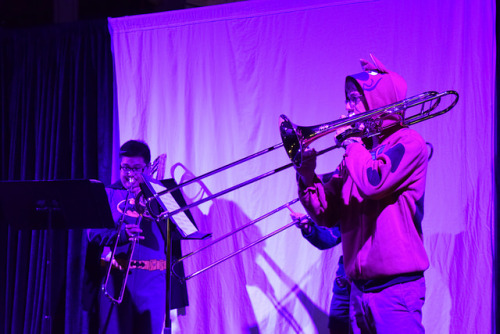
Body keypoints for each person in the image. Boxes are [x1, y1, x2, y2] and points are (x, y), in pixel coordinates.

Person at [294, 55, 429, 333]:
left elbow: (374, 183)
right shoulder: (358, 153)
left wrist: (353, 144)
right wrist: (307, 175)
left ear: (378, 101)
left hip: (395, 291)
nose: (347, 106)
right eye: (347, 98)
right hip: (359, 291)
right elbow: (327, 214)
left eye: (355, 98)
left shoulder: (409, 142)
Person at [84, 140, 195, 334]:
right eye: (125, 167)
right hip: (116, 278)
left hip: (153, 280)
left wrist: (157, 194)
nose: (130, 174)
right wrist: (122, 234)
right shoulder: (109, 194)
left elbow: (183, 230)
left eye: (136, 168)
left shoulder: (162, 195)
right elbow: (93, 233)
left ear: (146, 168)